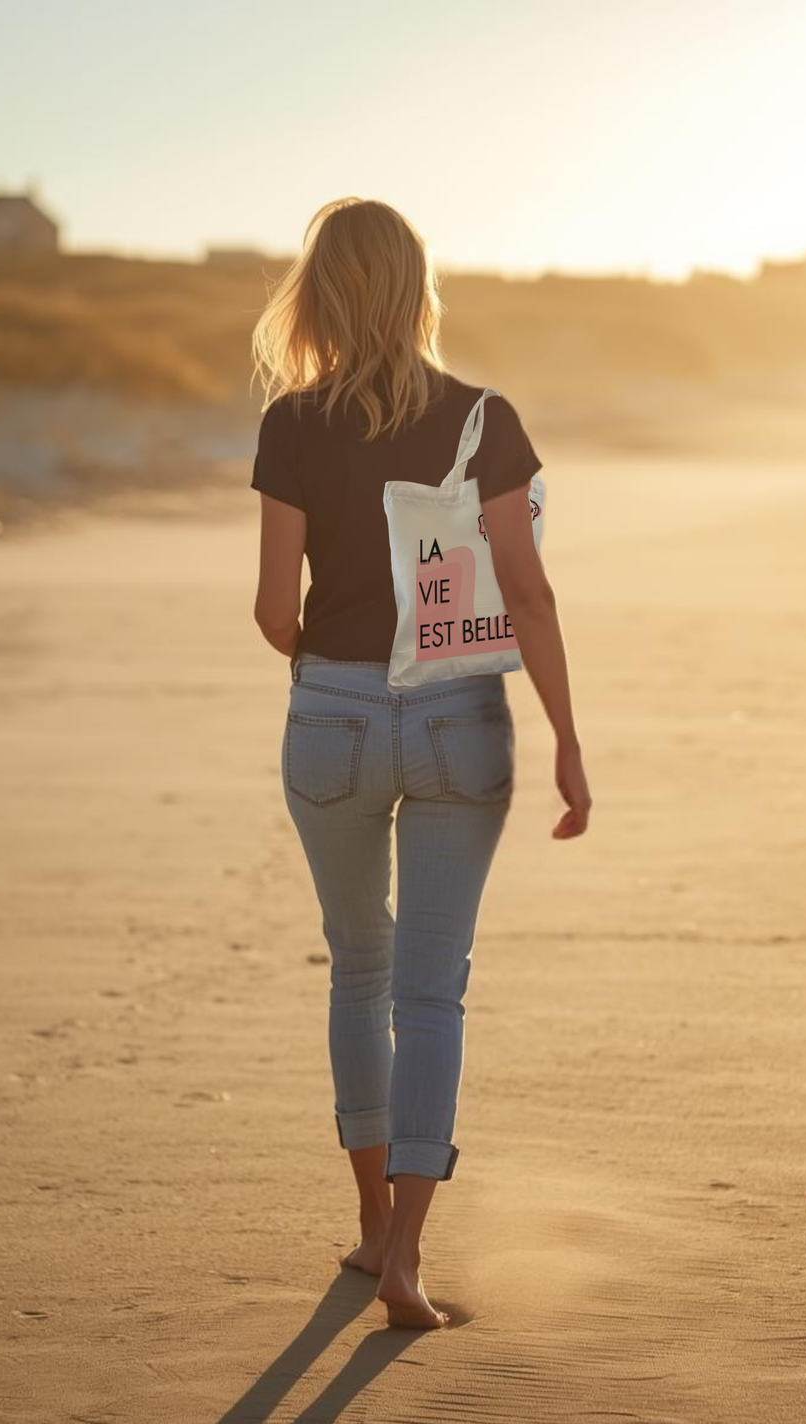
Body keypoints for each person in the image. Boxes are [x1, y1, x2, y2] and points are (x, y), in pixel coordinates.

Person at [249, 197, 590, 1330]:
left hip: (334, 716)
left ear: (317, 292)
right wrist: (567, 744)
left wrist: (341, 673)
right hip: (458, 722)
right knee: (430, 986)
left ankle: (363, 1227)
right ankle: (404, 1254)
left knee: (357, 969)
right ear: (417, 286)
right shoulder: (483, 419)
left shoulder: (292, 423)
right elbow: (526, 593)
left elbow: (269, 608)